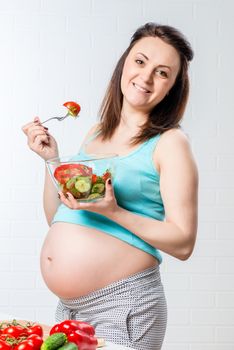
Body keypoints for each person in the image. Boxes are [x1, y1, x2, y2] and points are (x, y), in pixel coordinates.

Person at [22, 22, 198, 350]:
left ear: (173, 86)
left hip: (123, 305)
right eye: (140, 61)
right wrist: (52, 161)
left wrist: (114, 211)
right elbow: (58, 217)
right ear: (124, 64)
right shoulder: (96, 133)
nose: (145, 77)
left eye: (162, 72)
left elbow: (184, 243)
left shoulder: (170, 143)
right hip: (71, 309)